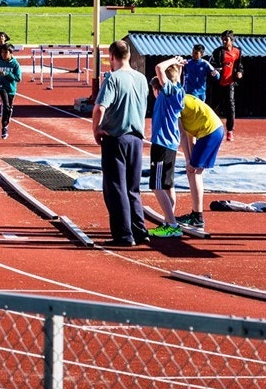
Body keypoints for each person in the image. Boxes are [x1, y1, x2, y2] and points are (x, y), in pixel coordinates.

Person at [92, 39, 149, 247]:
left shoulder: (113, 79)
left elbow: (99, 107)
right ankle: (140, 230)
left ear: (112, 57)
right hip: (136, 139)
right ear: (130, 56)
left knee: (116, 188)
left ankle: (123, 235)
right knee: (133, 188)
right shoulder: (141, 79)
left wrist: (96, 129)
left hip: (116, 138)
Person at [174, 78, 225, 228]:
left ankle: (197, 216)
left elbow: (183, 135)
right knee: (195, 171)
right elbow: (191, 136)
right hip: (214, 129)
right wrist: (190, 160)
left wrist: (189, 161)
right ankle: (197, 214)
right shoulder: (186, 100)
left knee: (193, 172)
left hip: (210, 132)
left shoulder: (176, 102)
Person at [147, 58, 189, 238]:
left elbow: (159, 68)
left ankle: (171, 223)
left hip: (162, 144)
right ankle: (168, 220)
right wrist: (178, 68)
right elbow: (175, 78)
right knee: (168, 185)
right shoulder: (179, 90)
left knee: (156, 186)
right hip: (171, 144)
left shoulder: (168, 92)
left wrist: (174, 60)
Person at [211, 30, 243, 141]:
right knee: (213, 107)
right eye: (223, 39)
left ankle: (229, 131)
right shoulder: (217, 52)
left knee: (230, 106)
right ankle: (210, 129)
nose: (224, 41)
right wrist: (216, 70)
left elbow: (240, 66)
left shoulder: (238, 52)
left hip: (230, 84)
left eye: (226, 39)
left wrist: (239, 73)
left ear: (232, 40)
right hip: (218, 84)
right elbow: (212, 64)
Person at [0, 41, 21, 139]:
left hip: (11, 89)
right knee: (5, 105)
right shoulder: (0, 62)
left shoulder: (15, 64)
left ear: (11, 53)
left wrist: (8, 74)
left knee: (9, 108)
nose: (3, 55)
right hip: (2, 87)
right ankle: (4, 127)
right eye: (2, 53)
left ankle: (6, 122)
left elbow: (18, 78)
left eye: (5, 53)